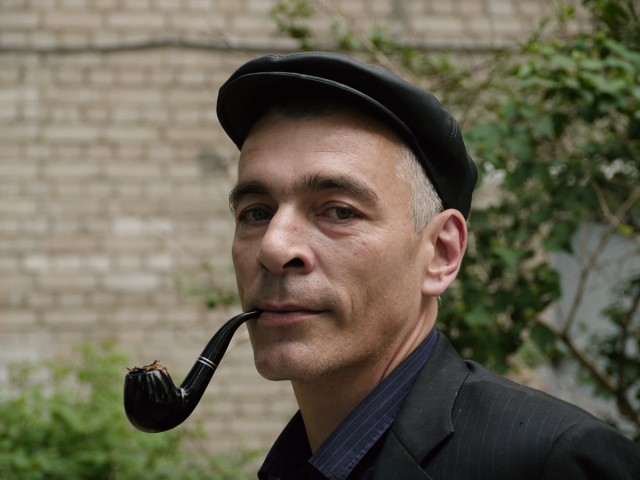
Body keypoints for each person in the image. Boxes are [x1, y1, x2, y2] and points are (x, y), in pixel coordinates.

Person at [216, 52, 640, 480]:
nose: (274, 247)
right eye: (256, 213)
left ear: (441, 253)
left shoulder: (553, 461)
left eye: (340, 212)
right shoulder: (295, 465)